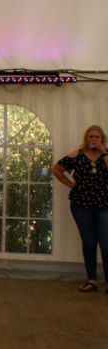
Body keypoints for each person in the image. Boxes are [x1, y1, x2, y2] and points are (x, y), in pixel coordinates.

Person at [53, 125, 108, 292]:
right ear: (86, 138)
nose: (94, 139)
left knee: (105, 243)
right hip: (81, 205)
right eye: (91, 136)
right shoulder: (76, 154)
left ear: (102, 139)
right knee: (89, 243)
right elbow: (57, 169)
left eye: (97, 137)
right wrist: (70, 184)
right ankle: (92, 280)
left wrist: (104, 152)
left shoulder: (106, 154)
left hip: (104, 205)